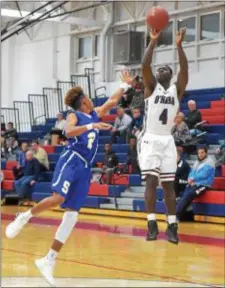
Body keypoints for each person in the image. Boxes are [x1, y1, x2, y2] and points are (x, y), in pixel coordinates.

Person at [5, 70, 134, 286]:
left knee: (72, 214)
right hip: (71, 160)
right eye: (89, 97)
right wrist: (92, 126)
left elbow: (112, 100)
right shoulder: (76, 115)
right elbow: (69, 131)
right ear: (83, 101)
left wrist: (126, 86)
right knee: (58, 198)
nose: (93, 100)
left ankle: (49, 259)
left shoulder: (94, 113)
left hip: (85, 168)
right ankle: (24, 216)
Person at [139, 27, 188, 244]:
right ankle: (151, 223)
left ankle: (172, 226)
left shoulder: (177, 90)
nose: (162, 70)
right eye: (160, 70)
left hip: (167, 139)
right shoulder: (151, 87)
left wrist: (179, 46)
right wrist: (153, 41)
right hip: (150, 138)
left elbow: (185, 70)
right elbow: (145, 65)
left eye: (167, 69)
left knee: (169, 185)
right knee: (151, 181)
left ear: (171, 75)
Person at [176, 146, 215, 219]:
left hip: (204, 185)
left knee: (190, 194)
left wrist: (193, 178)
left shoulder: (210, 162)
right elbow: (191, 172)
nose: (200, 154)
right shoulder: (196, 162)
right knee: (185, 195)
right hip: (194, 184)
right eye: (199, 153)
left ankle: (176, 214)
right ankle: (183, 216)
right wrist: (190, 178)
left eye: (202, 153)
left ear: (206, 153)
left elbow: (204, 174)